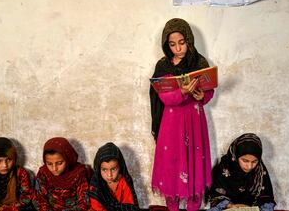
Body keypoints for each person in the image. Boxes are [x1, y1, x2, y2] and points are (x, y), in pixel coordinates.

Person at [150, 18, 215, 211]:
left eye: (181, 42)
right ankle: (173, 208)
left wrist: (203, 95)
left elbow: (210, 90)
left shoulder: (199, 62)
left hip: (194, 121)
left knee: (194, 164)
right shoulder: (163, 66)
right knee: (172, 165)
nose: (178, 48)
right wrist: (183, 92)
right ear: (166, 45)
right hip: (171, 124)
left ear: (189, 40)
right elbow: (164, 97)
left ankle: (193, 207)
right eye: (172, 44)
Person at [208, 133, 275, 211]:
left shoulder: (260, 171)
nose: (250, 166)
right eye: (245, 161)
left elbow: (266, 199)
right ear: (235, 156)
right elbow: (216, 195)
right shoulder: (224, 167)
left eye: (254, 161)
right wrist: (230, 205)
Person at [35, 137, 89, 211]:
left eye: (59, 163)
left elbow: (85, 202)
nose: (54, 168)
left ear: (68, 159)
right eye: (49, 164)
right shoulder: (43, 173)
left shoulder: (79, 173)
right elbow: (40, 199)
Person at [88, 142, 139, 211]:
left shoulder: (125, 181)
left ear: (120, 167)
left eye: (113, 169)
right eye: (104, 169)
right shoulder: (95, 185)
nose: (109, 175)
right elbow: (97, 207)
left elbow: (129, 207)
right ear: (98, 168)